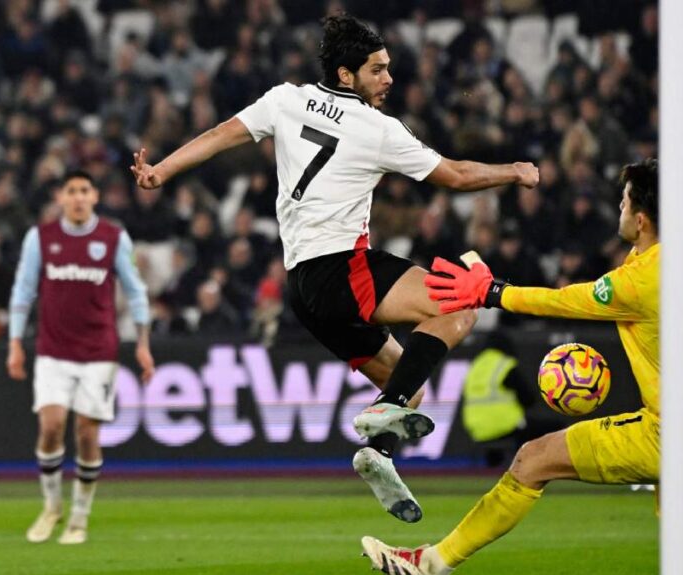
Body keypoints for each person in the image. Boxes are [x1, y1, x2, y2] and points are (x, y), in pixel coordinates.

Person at [128, 14, 539, 522]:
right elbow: (453, 175)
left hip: (302, 289)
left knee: (412, 385)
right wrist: (515, 171)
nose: (389, 79)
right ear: (347, 76)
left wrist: (161, 170)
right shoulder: (378, 128)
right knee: (463, 307)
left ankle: (378, 454)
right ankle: (381, 417)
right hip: (344, 267)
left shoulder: (285, 99)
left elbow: (221, 133)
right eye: (377, 70)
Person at [362, 161, 683, 575]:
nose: (619, 210)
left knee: (532, 460)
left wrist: (491, 292)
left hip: (676, 437)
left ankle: (431, 565)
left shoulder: (642, 279)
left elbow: (563, 301)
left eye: (625, 203)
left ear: (641, 219)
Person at [7, 170, 155, 545]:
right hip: (53, 350)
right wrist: (14, 343)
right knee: (51, 426)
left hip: (98, 351)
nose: (77, 197)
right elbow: (23, 291)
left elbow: (136, 292)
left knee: (87, 432)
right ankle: (52, 505)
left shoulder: (112, 237)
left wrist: (142, 343)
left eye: (84, 190)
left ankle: (79, 517)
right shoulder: (40, 238)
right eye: (70, 191)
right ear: (61, 198)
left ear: (95, 196)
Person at [461, 330, 563, 467]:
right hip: (506, 425)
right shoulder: (503, 365)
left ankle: (491, 470)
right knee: (556, 426)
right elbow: (528, 399)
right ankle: (549, 466)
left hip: (477, 429)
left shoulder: (475, 366)